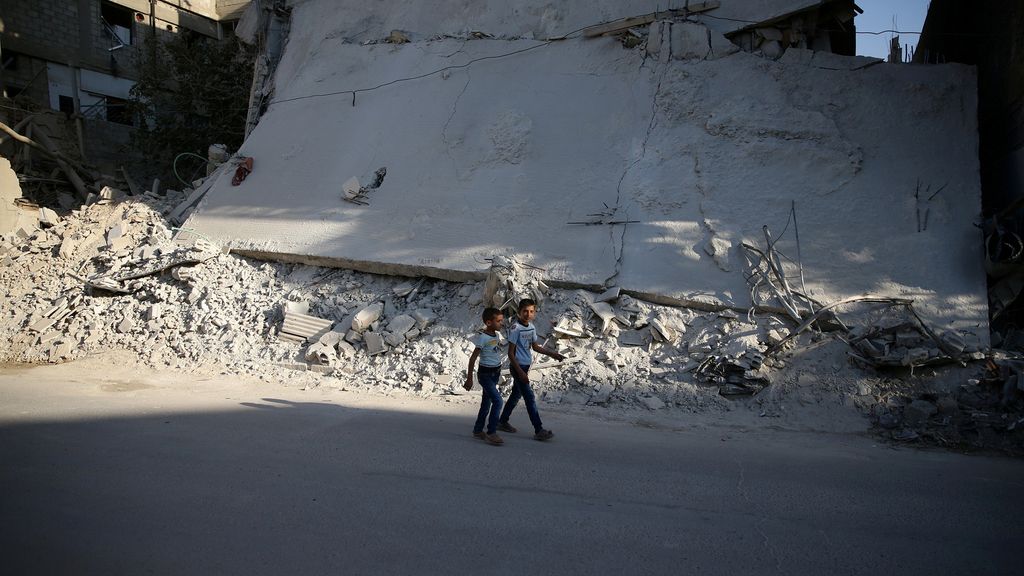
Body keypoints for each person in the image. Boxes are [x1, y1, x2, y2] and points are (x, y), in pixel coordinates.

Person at [498, 298, 564, 441]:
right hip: (518, 367)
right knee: (530, 398)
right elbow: (510, 353)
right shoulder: (516, 328)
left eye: (531, 311)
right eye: (525, 311)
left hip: (525, 367)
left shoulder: (531, 327)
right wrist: (521, 373)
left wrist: (553, 354)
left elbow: (535, 347)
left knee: (515, 395)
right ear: (519, 312)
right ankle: (539, 429)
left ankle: (502, 421)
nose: (528, 314)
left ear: (534, 313)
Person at [465, 307, 507, 446]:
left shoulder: (495, 335)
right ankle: (491, 432)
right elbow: (472, 359)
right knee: (498, 401)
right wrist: (469, 378)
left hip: (495, 373)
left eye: (502, 320)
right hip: (485, 375)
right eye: (499, 321)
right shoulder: (483, 338)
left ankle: (478, 430)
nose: (502, 323)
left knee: (486, 403)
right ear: (489, 323)